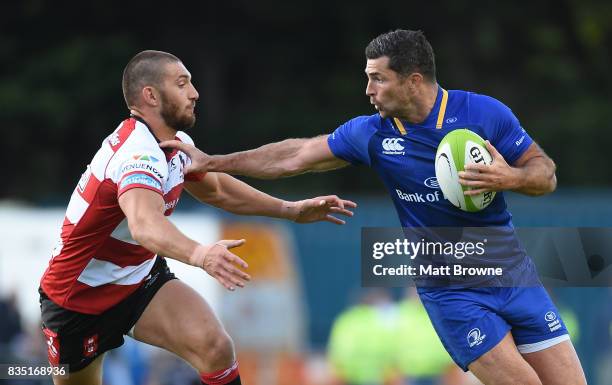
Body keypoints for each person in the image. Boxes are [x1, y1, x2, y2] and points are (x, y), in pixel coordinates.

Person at [162, 30, 588, 385]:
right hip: (451, 290)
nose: (368, 90)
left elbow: (544, 173)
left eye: (378, 79)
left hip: (511, 272)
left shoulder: (483, 113)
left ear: (413, 80)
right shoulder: (372, 134)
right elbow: (294, 155)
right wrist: (213, 161)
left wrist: (509, 177)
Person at [38, 50, 356, 385]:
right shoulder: (136, 153)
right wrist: (201, 254)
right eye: (182, 83)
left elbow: (218, 191)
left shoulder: (176, 145)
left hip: (139, 281)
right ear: (150, 95)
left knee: (214, 347)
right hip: (77, 300)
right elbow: (145, 225)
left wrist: (290, 210)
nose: (195, 93)